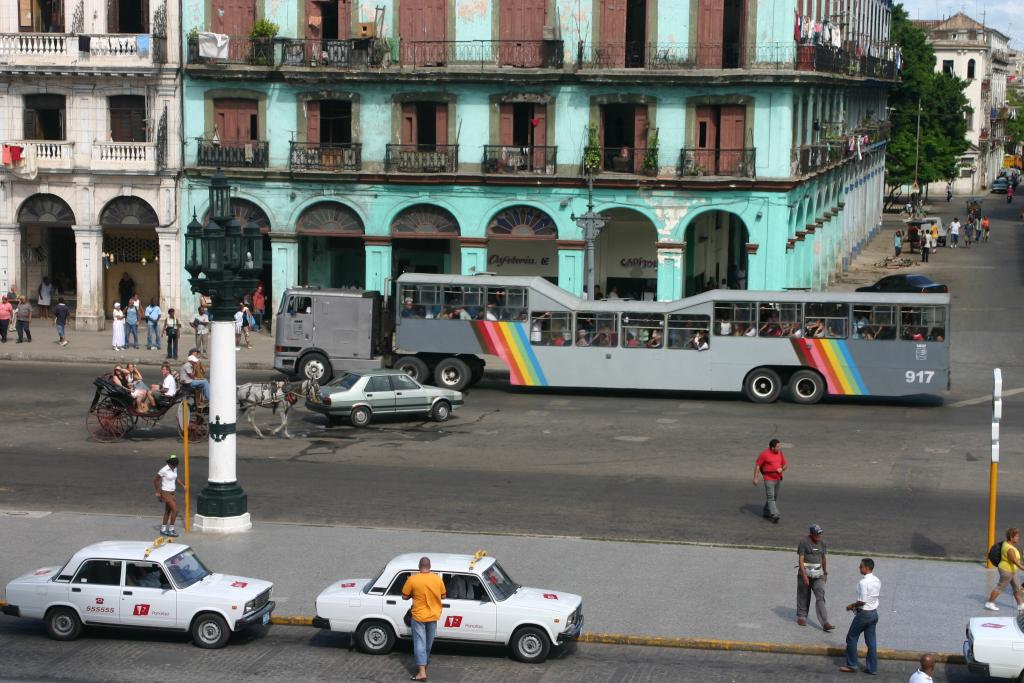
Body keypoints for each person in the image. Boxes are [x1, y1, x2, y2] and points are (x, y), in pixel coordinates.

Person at [402, 557, 446, 682]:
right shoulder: (437, 579)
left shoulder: (413, 579)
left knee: (419, 643)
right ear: (430, 566)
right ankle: (424, 664)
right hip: (433, 616)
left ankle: (422, 673)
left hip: (419, 616)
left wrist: (413, 594)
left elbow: (404, 596)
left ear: (419, 566)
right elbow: (443, 596)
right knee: (428, 642)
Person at [840, 558, 881, 674]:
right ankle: (872, 668)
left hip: (864, 614)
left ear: (867, 568)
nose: (859, 568)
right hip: (874, 614)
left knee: (851, 637)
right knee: (871, 642)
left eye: (861, 566)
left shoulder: (863, 583)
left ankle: (852, 665)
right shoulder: (877, 580)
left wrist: (851, 606)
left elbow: (862, 601)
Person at [797, 523, 834, 631]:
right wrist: (804, 575)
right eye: (816, 534)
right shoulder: (804, 542)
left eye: (820, 534)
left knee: (820, 596)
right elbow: (801, 559)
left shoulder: (822, 543)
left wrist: (825, 573)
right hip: (805, 575)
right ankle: (802, 616)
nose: (818, 536)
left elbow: (823, 558)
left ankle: (825, 622)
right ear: (811, 534)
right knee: (803, 595)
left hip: (818, 575)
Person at [985, 527, 1024, 611]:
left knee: (1017, 587)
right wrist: (1022, 567)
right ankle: (990, 603)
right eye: (1016, 536)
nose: (1018, 538)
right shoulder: (1010, 548)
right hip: (1007, 571)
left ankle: (1021, 605)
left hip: (1012, 570)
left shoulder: (1006, 544)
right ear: (1011, 537)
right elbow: (1014, 560)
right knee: (1000, 587)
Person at [753, 439, 787, 523]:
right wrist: (755, 478)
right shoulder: (764, 454)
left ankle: (766, 511)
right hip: (768, 479)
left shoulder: (780, 453)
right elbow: (757, 466)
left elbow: (786, 465)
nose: (780, 448)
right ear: (772, 448)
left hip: (778, 478)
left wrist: (781, 469)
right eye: (778, 447)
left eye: (780, 446)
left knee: (774, 497)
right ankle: (775, 514)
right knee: (771, 497)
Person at [153, 455, 183, 537]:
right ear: (170, 464)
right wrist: (158, 492)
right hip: (165, 492)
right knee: (175, 510)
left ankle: (163, 530)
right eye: (174, 465)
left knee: (168, 511)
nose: (175, 467)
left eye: (176, 466)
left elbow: (176, 479)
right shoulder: (164, 470)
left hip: (172, 492)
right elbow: (155, 480)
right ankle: (171, 530)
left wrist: (183, 485)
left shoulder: (175, 468)